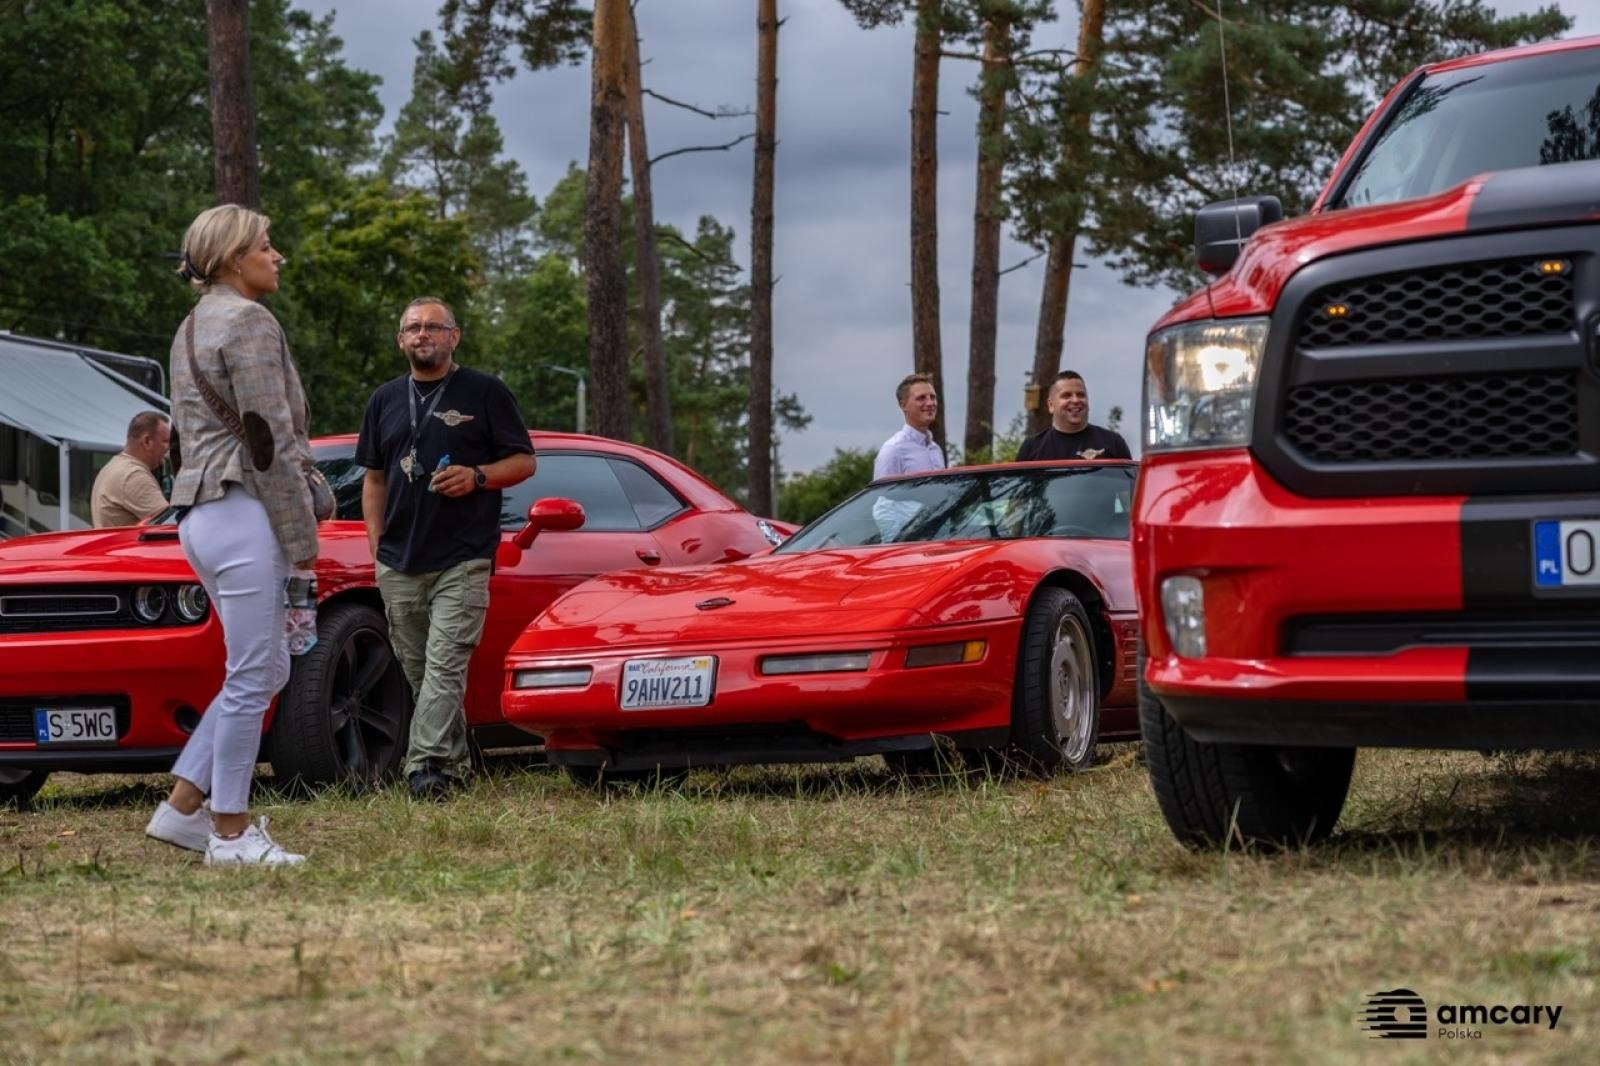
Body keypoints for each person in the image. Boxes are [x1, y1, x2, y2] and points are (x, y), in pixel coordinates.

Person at [143, 203, 317, 866]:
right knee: (251, 674)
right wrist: (302, 538)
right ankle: (232, 834)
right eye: (267, 247)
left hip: (201, 514)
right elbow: (268, 441)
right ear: (232, 259)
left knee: (266, 666)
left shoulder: (192, 325)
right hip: (245, 508)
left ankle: (183, 809)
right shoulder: (249, 320)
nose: (277, 257)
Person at [356, 297, 536, 799]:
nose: (422, 335)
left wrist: (478, 476)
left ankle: (426, 771)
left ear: (454, 337)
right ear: (400, 339)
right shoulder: (384, 399)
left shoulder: (485, 391)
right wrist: (376, 545)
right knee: (420, 674)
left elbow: (524, 462)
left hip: (463, 556)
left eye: (434, 327)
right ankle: (456, 760)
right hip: (399, 561)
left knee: (444, 666)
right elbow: (373, 479)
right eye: (412, 327)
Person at [1016, 371, 1132, 462]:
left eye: (1081, 395)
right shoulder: (1032, 448)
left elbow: (1133, 488)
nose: (1076, 400)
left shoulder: (1113, 443)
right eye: (1066, 395)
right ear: (1051, 405)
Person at [90, 411, 172, 527]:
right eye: (165, 441)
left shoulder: (112, 467)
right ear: (147, 441)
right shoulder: (133, 475)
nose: (168, 448)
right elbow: (170, 525)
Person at [873, 373, 944, 479]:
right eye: (921, 398)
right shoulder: (893, 451)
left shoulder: (936, 450)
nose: (930, 403)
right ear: (903, 405)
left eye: (932, 397)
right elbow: (882, 495)